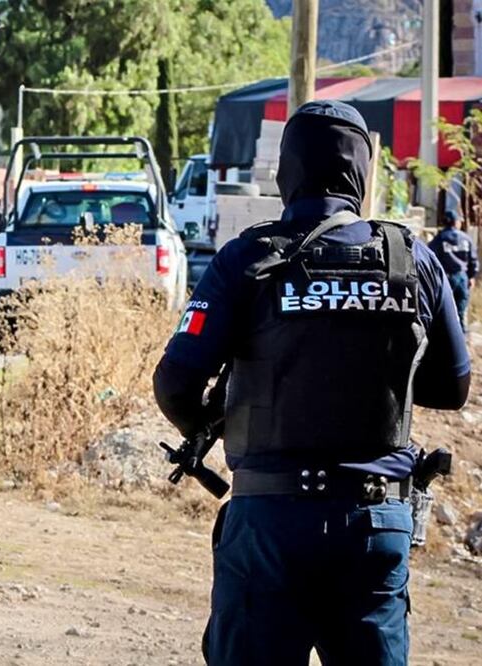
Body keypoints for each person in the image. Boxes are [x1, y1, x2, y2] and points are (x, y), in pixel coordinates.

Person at [153, 101, 470, 666]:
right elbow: (452, 388)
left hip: (269, 526)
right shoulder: (411, 257)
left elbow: (175, 382)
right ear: (363, 173)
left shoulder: (247, 258)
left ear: (287, 170)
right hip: (375, 525)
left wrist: (206, 425)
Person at [429, 208, 477, 331]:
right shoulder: (466, 239)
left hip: (445, 279)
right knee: (460, 312)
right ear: (456, 222)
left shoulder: (439, 239)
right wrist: (471, 276)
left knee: (442, 311)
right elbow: (473, 260)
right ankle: (461, 342)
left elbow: (430, 257)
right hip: (462, 277)